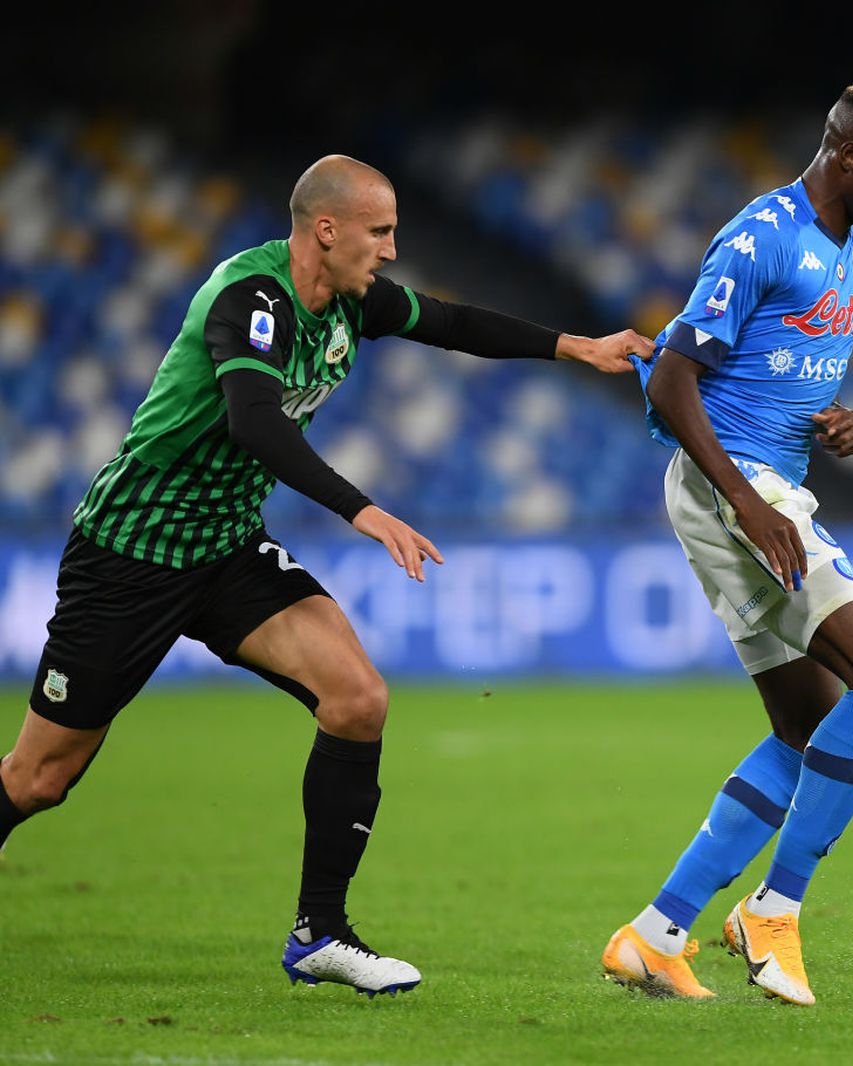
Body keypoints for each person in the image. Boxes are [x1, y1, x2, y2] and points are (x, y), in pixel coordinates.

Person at [0, 155, 654, 998]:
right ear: (327, 229)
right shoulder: (250, 299)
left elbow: (451, 323)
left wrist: (575, 346)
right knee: (40, 777)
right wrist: (363, 510)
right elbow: (254, 423)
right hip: (131, 553)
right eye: (379, 232)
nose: (389, 251)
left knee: (358, 699)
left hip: (224, 547)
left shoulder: (353, 303)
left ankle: (320, 933)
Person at [601, 83, 853, 1005]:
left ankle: (656, 935)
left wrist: (834, 421)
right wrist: (747, 499)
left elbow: (777, 366)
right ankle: (773, 909)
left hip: (761, 478)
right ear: (849, 158)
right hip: (735, 487)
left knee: (805, 724)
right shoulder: (760, 236)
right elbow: (670, 380)